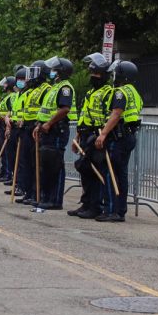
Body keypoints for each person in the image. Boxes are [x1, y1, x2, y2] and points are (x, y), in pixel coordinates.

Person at [95, 60, 143, 222]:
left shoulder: (120, 92)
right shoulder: (134, 92)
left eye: (116, 73)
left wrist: (103, 134)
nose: (114, 76)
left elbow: (116, 114)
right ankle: (120, 210)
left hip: (119, 137)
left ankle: (111, 210)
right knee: (121, 174)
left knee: (111, 173)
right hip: (128, 137)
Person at [69, 53, 113, 219]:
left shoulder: (108, 92)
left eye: (96, 74)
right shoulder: (90, 93)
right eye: (92, 73)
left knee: (96, 172)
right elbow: (84, 116)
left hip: (98, 135)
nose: (93, 77)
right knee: (85, 169)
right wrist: (77, 136)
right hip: (86, 135)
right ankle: (86, 203)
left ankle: (96, 206)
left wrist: (103, 134)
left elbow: (110, 115)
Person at [34, 57, 77, 210]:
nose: (52, 72)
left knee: (56, 164)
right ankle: (46, 197)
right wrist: (39, 124)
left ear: (61, 72)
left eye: (55, 70)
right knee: (46, 164)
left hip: (57, 129)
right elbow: (45, 110)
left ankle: (55, 200)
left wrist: (49, 123)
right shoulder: (55, 87)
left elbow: (65, 109)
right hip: (47, 129)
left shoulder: (65, 88)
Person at [17, 61, 51, 205]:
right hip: (26, 127)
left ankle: (36, 192)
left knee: (36, 162)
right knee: (26, 161)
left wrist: (40, 125)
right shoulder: (30, 91)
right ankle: (28, 192)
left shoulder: (46, 89)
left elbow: (44, 110)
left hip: (36, 128)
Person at [0, 77, 16, 182]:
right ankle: (3, 172)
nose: (4, 86)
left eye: (6, 84)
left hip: (6, 126)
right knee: (3, 151)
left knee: (7, 151)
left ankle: (8, 174)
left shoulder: (12, 97)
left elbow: (11, 111)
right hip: (1, 126)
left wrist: (7, 126)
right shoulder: (6, 97)